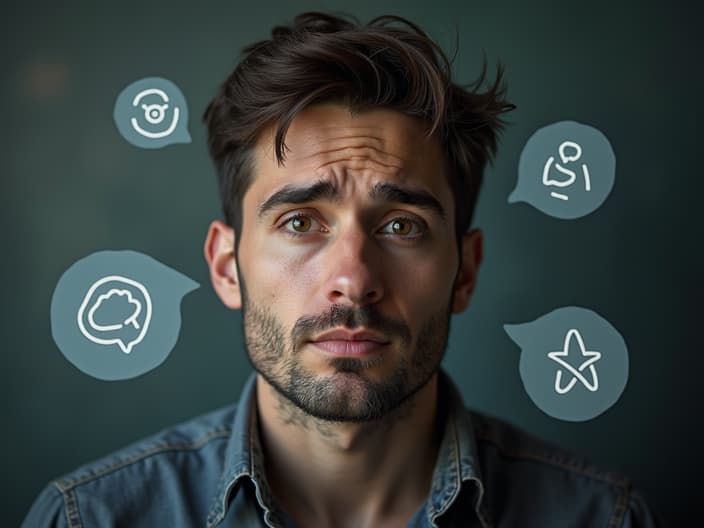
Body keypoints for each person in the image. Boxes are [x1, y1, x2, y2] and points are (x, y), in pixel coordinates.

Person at [23, 11, 660, 528]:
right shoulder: (91, 519)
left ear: (465, 271)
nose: (353, 280)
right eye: (300, 222)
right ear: (225, 266)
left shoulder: (602, 518)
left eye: (402, 226)